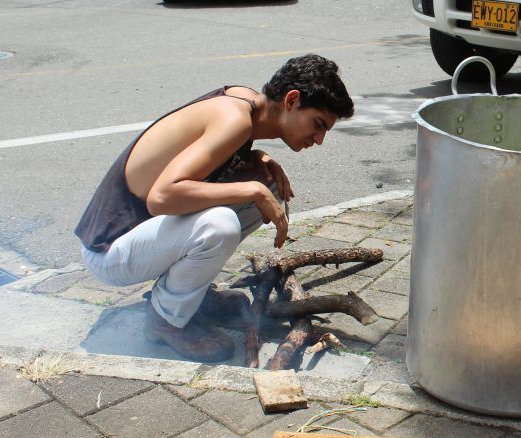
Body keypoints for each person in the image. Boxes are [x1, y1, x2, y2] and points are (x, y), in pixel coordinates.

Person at [75, 55, 355, 362]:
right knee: (220, 223)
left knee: (270, 186)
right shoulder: (235, 120)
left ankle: (188, 293)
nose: (319, 139)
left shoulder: (246, 103)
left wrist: (258, 160)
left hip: (142, 237)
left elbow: (210, 164)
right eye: (317, 124)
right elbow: (162, 196)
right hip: (110, 250)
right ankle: (165, 321)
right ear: (291, 100)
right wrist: (252, 188)